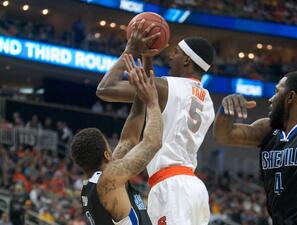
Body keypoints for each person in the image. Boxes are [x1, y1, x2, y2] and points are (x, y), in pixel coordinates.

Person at [96, 19, 215, 225]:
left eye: (177, 52)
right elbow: (156, 96)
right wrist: (146, 58)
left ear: (187, 60)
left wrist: (130, 49)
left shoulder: (167, 87)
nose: (170, 56)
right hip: (195, 189)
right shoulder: (208, 100)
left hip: (171, 189)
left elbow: (105, 89)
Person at [71, 69, 163, 225]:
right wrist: (152, 101)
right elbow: (152, 143)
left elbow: (129, 139)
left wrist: (139, 95)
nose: (115, 150)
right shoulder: (109, 178)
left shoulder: (93, 186)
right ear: (107, 155)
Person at [213, 71, 297, 225]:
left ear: (291, 97)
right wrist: (226, 110)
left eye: (277, 92)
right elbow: (223, 136)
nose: (270, 99)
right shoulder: (267, 129)